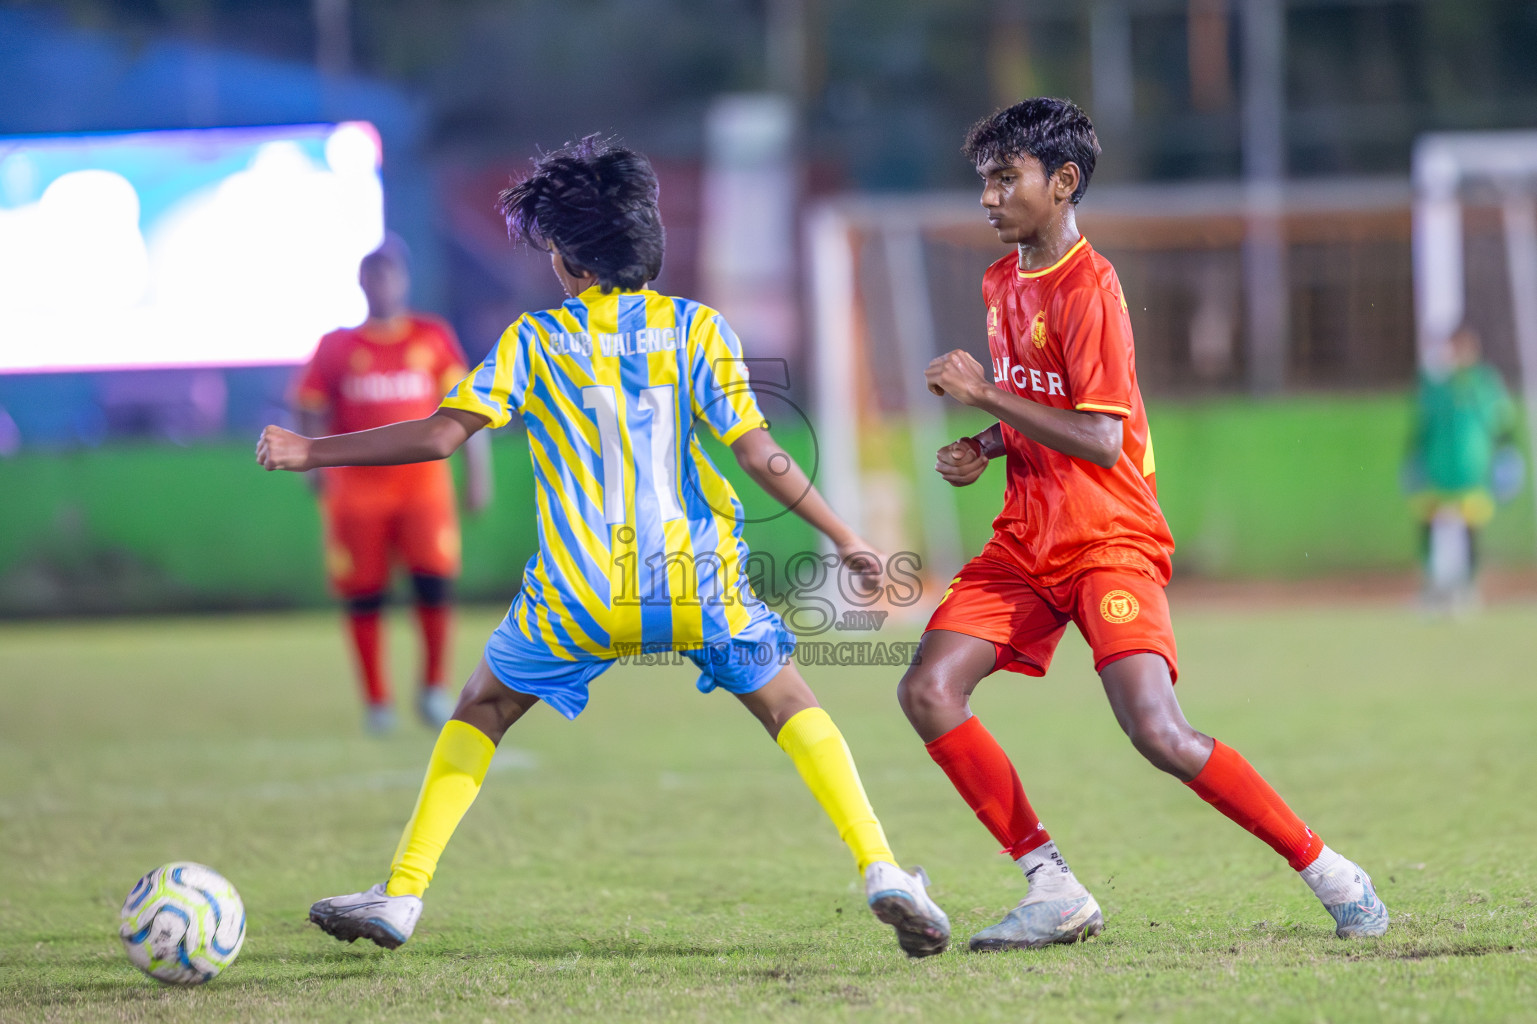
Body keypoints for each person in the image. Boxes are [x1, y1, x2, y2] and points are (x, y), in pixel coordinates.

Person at [256, 137, 950, 958]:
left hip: (578, 591)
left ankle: (403, 894)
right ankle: (880, 868)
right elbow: (759, 453)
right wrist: (845, 536)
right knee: (790, 704)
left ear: (570, 258)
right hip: (693, 581)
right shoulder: (696, 329)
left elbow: (444, 437)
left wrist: (313, 451)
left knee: (480, 707)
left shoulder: (534, 341)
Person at [900, 98, 1389, 951]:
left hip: (1106, 537)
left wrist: (981, 395)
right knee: (928, 691)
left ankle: (1329, 870)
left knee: (1157, 733)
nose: (986, 198)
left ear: (1062, 183)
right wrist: (986, 442)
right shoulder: (998, 281)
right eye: (982, 180)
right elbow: (1044, 405)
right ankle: (1051, 886)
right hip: (1025, 535)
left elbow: (1099, 433)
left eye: (1003, 179)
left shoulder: (1091, 286)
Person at [292, 237, 491, 734]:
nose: (381, 284)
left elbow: (466, 406)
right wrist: (314, 468)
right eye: (372, 275)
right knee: (363, 592)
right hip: (357, 490)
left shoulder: (431, 336)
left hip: (423, 487)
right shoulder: (336, 346)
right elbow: (309, 404)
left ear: (403, 280)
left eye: (389, 274)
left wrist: (478, 473)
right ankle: (377, 701)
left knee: (434, 583)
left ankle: (433, 689)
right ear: (361, 282)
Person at [1404, 325, 1520, 611]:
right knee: (1428, 524)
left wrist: (1507, 457)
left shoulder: (1485, 383)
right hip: (1437, 470)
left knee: (1471, 529)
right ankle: (1432, 586)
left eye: (1463, 348)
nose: (1458, 354)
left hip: (1472, 470)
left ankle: (1469, 588)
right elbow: (1421, 428)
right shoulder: (1435, 386)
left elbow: (1503, 424)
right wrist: (1413, 460)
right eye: (1454, 348)